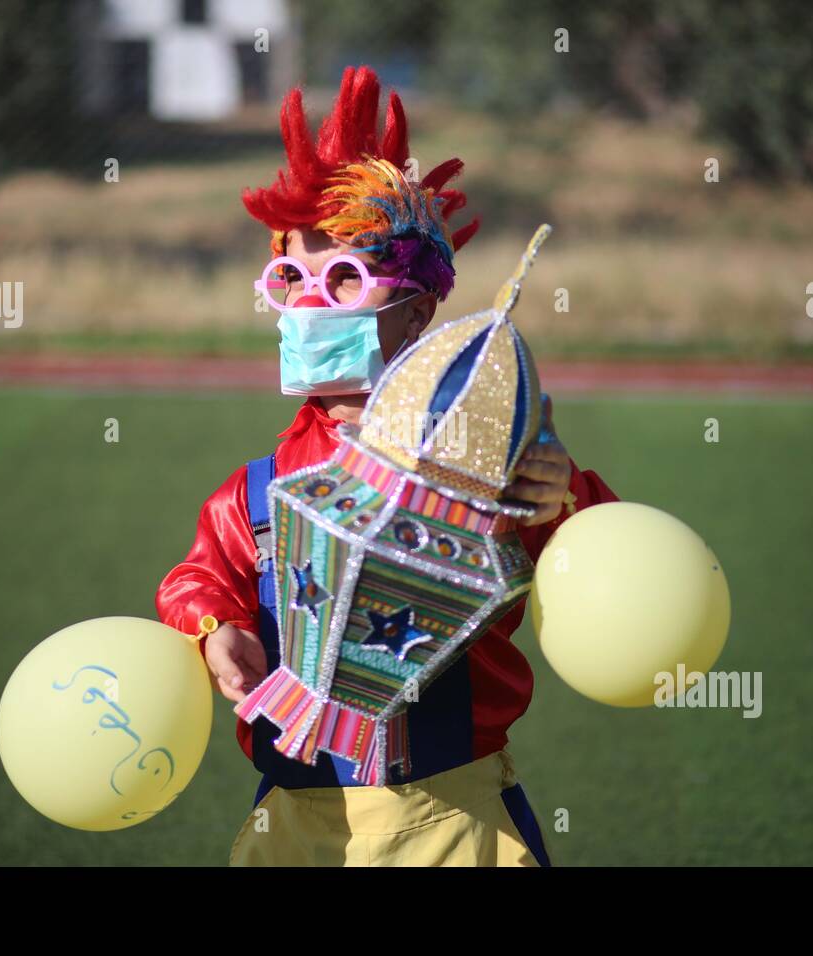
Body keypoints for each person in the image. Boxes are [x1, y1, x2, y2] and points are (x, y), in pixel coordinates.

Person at [156, 65, 618, 866]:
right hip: (296, 823)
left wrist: (560, 498)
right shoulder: (256, 489)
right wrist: (216, 629)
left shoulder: (493, 456)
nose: (310, 306)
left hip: (457, 817)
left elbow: (601, 565)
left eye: (343, 280)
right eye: (291, 281)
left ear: (417, 307)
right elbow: (198, 577)